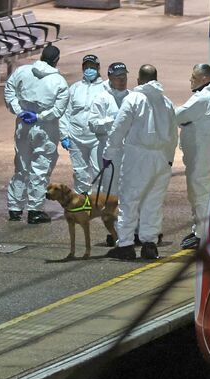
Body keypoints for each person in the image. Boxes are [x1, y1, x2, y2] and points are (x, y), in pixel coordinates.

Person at [103, 64, 176, 260]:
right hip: (161, 159)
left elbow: (119, 129)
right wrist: (169, 160)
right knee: (153, 202)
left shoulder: (133, 99)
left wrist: (108, 153)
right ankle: (149, 244)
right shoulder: (166, 102)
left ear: (139, 80)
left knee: (129, 200)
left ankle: (126, 244)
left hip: (138, 156)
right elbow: (173, 135)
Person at [4, 45, 69, 224]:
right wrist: (39, 116)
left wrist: (19, 111)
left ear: (41, 56)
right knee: (40, 170)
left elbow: (9, 91)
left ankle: (15, 208)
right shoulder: (59, 82)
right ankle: (35, 210)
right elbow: (58, 110)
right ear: (57, 60)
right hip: (45, 129)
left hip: (23, 126)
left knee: (21, 167)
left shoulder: (22, 71)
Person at [175, 64, 210, 249]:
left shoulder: (204, 97)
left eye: (194, 77)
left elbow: (179, 115)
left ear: (204, 78)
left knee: (200, 192)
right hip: (203, 154)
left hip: (202, 156)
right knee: (199, 192)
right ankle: (199, 229)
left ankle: (203, 234)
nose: (191, 80)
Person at [88, 62, 130, 247]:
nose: (122, 80)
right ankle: (113, 231)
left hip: (129, 152)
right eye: (118, 77)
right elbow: (93, 123)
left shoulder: (133, 97)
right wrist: (112, 121)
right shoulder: (102, 98)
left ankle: (129, 230)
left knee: (130, 191)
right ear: (110, 79)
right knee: (111, 194)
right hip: (109, 152)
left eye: (124, 77)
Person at [59, 54, 106, 194]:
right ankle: (82, 199)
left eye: (92, 67)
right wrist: (64, 135)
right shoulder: (74, 88)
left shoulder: (105, 88)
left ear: (98, 68)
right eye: (86, 67)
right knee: (79, 171)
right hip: (76, 137)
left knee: (99, 170)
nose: (89, 69)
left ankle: (98, 200)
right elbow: (65, 112)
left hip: (97, 138)